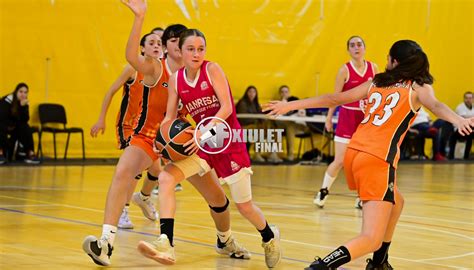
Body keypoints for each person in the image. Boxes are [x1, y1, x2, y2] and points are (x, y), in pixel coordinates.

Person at [264, 40, 474, 270]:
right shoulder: (418, 88)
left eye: (387, 58)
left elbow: (334, 99)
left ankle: (379, 262)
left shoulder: (376, 82)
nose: (385, 62)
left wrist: (289, 106)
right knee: (370, 238)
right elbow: (436, 106)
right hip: (377, 159)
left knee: (397, 201)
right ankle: (320, 267)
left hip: (355, 153)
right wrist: (459, 120)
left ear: (395, 62)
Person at [82, 4, 249, 265]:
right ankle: (106, 242)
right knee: (123, 172)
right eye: (172, 40)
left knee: (217, 197)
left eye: (181, 41)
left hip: (181, 141)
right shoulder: (155, 67)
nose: (177, 44)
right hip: (148, 135)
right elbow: (131, 57)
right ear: (171, 47)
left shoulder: (194, 73)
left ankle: (225, 239)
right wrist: (139, 17)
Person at [135, 27, 281, 268]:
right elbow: (169, 116)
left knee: (244, 206)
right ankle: (166, 244)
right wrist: (161, 140)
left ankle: (269, 237)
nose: (196, 53)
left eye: (200, 49)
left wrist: (204, 132)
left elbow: (226, 108)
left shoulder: (212, 69)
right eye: (190, 49)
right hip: (201, 143)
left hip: (227, 141)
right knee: (166, 178)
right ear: (180, 51)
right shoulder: (177, 79)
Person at [89, 33, 164, 230]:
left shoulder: (163, 72)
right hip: (129, 125)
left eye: (159, 43)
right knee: (134, 169)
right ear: (142, 48)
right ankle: (123, 210)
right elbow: (110, 91)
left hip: (148, 126)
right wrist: (101, 119)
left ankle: (144, 197)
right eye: (151, 43)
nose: (156, 46)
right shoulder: (132, 69)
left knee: (157, 170)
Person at [313, 36, 378, 208]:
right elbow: (335, 98)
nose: (356, 48)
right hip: (347, 118)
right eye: (352, 45)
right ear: (348, 50)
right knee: (340, 160)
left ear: (364, 48)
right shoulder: (344, 70)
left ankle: (361, 196)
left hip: (365, 120)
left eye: (359, 45)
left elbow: (378, 95)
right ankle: (323, 190)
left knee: (363, 160)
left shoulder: (374, 68)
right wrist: (329, 117)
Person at [0, 83, 40, 164]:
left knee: (26, 127)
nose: (23, 94)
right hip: (3, 124)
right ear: (16, 92)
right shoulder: (8, 99)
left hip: (13, 126)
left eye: (25, 92)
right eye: (21, 91)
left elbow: (24, 120)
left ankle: (29, 153)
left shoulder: (24, 102)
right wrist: (11, 125)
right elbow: (2, 117)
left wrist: (22, 107)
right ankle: (0, 153)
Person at [235, 85, 265, 162]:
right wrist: (256, 119)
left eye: (254, 92)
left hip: (252, 126)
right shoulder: (242, 103)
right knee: (259, 131)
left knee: (267, 128)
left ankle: (261, 154)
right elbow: (244, 119)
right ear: (246, 93)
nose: (252, 94)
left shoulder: (256, 104)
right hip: (243, 126)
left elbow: (261, 115)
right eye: (250, 92)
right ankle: (257, 154)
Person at [448, 91, 473, 159]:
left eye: (470, 98)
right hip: (458, 130)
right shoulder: (460, 107)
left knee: (470, 134)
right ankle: (454, 156)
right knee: (469, 134)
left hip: (470, 129)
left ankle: (466, 156)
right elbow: (464, 120)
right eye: (467, 98)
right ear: (464, 99)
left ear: (473, 99)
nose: (468, 100)